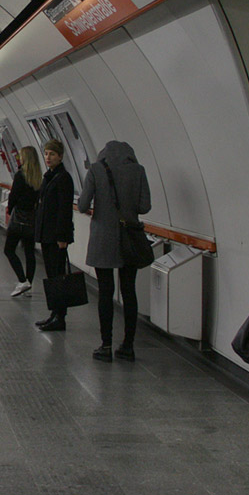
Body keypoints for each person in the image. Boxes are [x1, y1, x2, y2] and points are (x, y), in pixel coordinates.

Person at [77, 141, 151, 361]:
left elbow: (82, 205)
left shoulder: (97, 169)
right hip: (129, 239)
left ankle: (106, 345)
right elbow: (144, 206)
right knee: (129, 291)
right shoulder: (138, 171)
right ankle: (128, 346)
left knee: (105, 292)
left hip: (103, 239)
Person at [34, 139, 75, 331]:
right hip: (46, 234)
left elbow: (64, 211)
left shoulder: (63, 178)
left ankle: (60, 316)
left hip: (56, 236)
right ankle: (54, 313)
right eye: (46, 154)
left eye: (52, 154)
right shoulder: (49, 176)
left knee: (58, 276)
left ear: (60, 156)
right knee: (52, 276)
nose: (48, 157)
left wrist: (62, 237)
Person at [5, 146, 42, 297]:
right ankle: (29, 283)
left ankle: (22, 281)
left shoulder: (20, 175)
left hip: (19, 219)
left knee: (9, 250)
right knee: (29, 252)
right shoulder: (39, 177)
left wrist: (9, 208)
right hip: (32, 219)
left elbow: (13, 196)